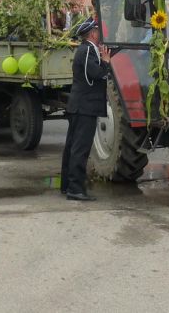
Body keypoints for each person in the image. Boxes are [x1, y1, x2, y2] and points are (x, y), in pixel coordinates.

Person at [61, 18, 110, 202]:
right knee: (80, 149)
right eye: (98, 30)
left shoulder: (85, 49)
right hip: (85, 107)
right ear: (92, 33)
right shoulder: (88, 50)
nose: (100, 33)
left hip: (80, 105)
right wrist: (105, 62)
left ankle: (67, 185)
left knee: (72, 147)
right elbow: (96, 73)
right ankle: (75, 188)